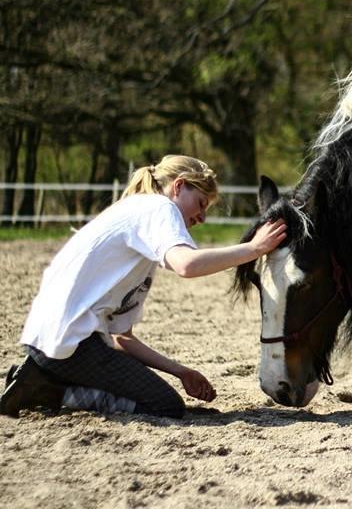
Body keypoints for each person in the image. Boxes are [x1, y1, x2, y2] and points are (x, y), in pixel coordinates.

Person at [0, 155, 286, 419]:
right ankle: (51, 391)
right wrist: (253, 248)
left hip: (50, 338)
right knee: (164, 406)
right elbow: (187, 265)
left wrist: (180, 372)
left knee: (149, 395)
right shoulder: (158, 208)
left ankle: (45, 377)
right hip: (72, 343)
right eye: (200, 203)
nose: (202, 218)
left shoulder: (135, 217)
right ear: (179, 186)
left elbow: (122, 338)